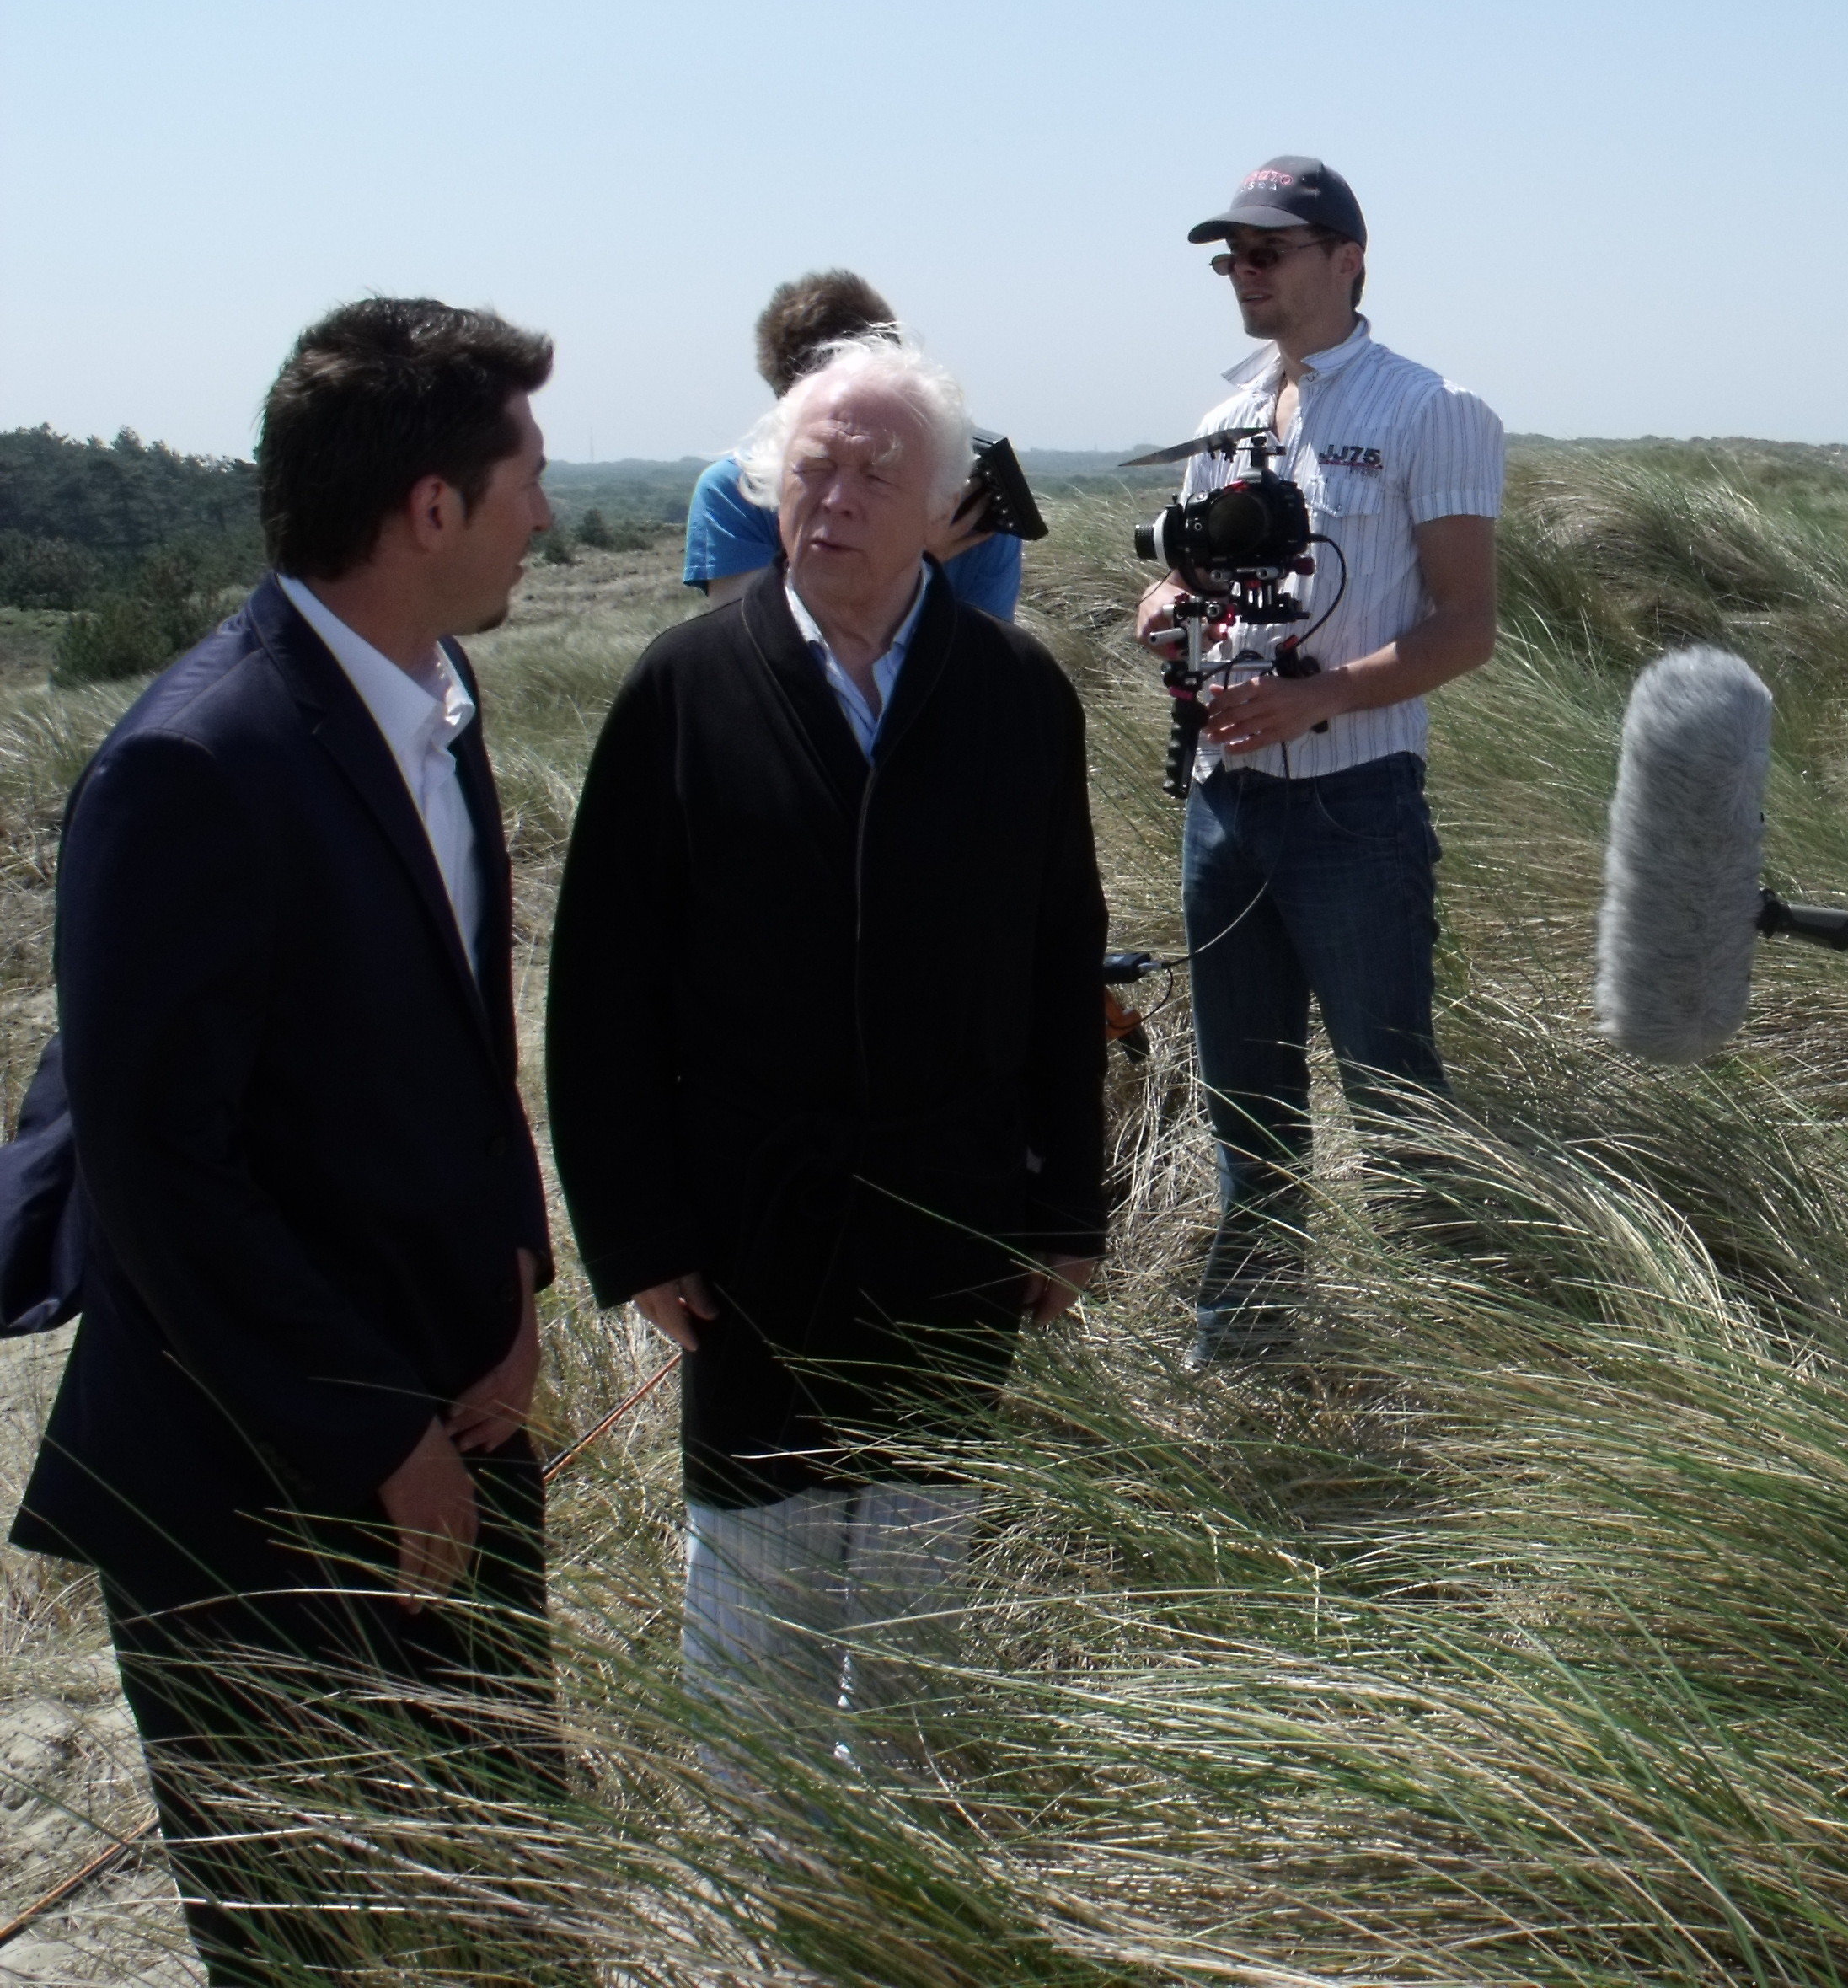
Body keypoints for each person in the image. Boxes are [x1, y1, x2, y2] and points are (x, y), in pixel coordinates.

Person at [9, 297, 561, 1980]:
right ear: (431, 509)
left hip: (453, 1434)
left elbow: (461, 1064)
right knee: (309, 1941)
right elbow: (161, 1172)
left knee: (503, 1902)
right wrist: (369, 1434)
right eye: (525, 470)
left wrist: (517, 1295)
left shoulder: (435, 703)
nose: (544, 504)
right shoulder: (197, 763)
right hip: (250, 1493)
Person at [549, 335, 1106, 1772]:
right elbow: (602, 989)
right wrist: (638, 1231)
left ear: (942, 506)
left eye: (877, 470)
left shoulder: (1016, 696)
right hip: (755, 1234)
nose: (838, 496)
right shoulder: (684, 690)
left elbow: (1060, 961)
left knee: (918, 1588)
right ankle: (760, 1893)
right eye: (812, 466)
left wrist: (1065, 1210)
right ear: (768, 487)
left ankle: (898, 1880)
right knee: (759, 1602)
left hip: (954, 1220)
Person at [1130, 156, 1504, 1366]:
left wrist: (1321, 700)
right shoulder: (1223, 416)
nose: (1245, 275)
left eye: (1269, 253)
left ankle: (1461, 1348)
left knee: (1393, 1095)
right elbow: (1193, 573)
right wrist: (1162, 604)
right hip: (1225, 806)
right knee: (1246, 1101)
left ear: (1348, 260)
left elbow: (1465, 625)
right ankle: (1245, 1338)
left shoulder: (1428, 410)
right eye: (1231, 257)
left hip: (1354, 805)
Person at [683, 266, 1025, 619]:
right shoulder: (737, 489)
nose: (837, 498)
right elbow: (745, 649)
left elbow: (987, 663)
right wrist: (913, 559)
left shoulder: (967, 496)